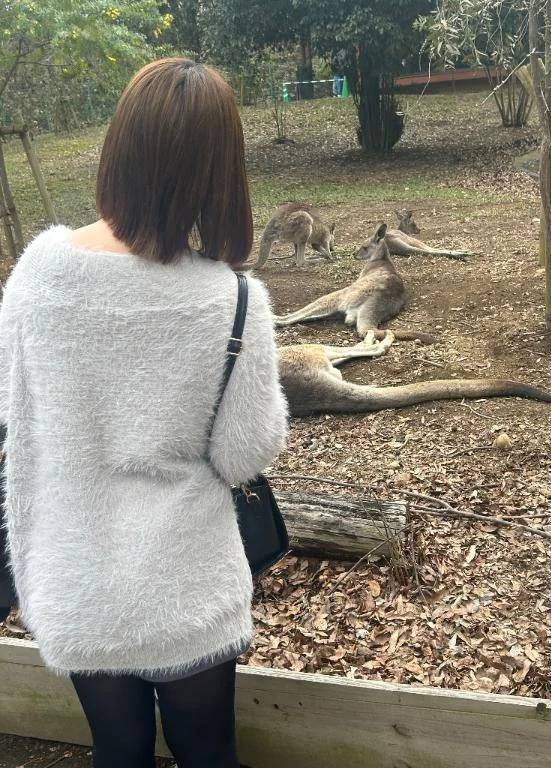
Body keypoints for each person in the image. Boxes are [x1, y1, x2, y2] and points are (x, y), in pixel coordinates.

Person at [0, 59, 288, 768]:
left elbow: (19, 413)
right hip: (186, 586)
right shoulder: (234, 303)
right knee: (207, 750)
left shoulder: (37, 274)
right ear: (219, 170)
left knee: (117, 750)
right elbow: (244, 455)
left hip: (76, 574)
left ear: (119, 146)